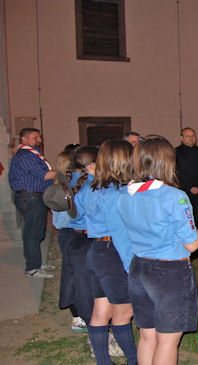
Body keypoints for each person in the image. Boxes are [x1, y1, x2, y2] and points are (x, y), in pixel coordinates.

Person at [116, 136, 198, 365]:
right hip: (169, 274)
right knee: (167, 341)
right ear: (166, 162)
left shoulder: (124, 194)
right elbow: (191, 244)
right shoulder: (174, 197)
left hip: (139, 269)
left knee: (147, 336)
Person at [85, 140, 137, 365]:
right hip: (114, 252)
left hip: (98, 250)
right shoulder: (119, 193)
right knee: (124, 312)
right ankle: (136, 360)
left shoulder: (95, 186)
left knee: (101, 311)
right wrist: (132, 267)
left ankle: (103, 362)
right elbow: (121, 235)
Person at [9, 128, 57, 278]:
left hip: (33, 197)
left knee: (36, 232)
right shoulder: (25, 155)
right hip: (29, 197)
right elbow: (44, 175)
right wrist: (62, 171)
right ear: (24, 139)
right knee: (32, 232)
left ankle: (36, 263)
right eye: (35, 137)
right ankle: (32, 268)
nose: (39, 140)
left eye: (39, 137)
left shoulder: (32, 154)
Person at [66, 146, 100, 345]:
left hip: (75, 237)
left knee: (84, 285)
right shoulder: (91, 187)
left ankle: (88, 322)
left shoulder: (74, 181)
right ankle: (93, 330)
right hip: (87, 239)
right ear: (91, 165)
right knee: (90, 288)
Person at [50, 144, 86, 332]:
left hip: (67, 234)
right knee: (75, 276)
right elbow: (68, 218)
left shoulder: (62, 186)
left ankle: (79, 313)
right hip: (71, 234)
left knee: (73, 274)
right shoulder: (66, 189)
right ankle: (78, 315)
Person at [175, 127, 198, 226]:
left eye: (193, 135)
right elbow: (175, 173)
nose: (191, 138)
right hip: (185, 192)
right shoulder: (175, 153)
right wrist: (189, 187)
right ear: (181, 138)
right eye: (188, 136)